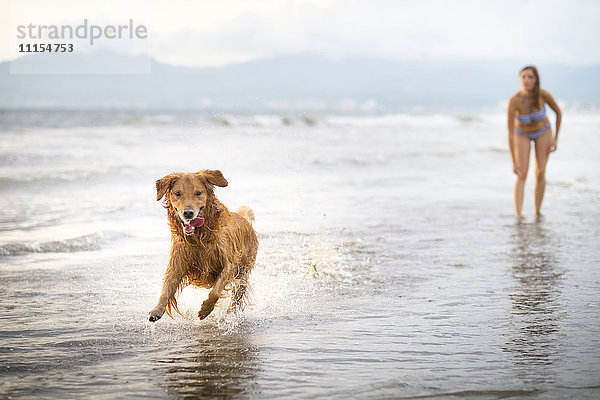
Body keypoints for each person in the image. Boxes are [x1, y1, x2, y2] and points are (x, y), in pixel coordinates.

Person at [507, 65, 562, 219]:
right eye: (523, 77)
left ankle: (537, 211)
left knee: (541, 172)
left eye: (530, 77)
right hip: (521, 133)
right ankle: (518, 215)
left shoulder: (543, 95)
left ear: (536, 80)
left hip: (543, 131)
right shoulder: (514, 100)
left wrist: (555, 138)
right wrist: (513, 160)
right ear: (519, 79)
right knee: (521, 173)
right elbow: (510, 132)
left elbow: (558, 112)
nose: (527, 80)